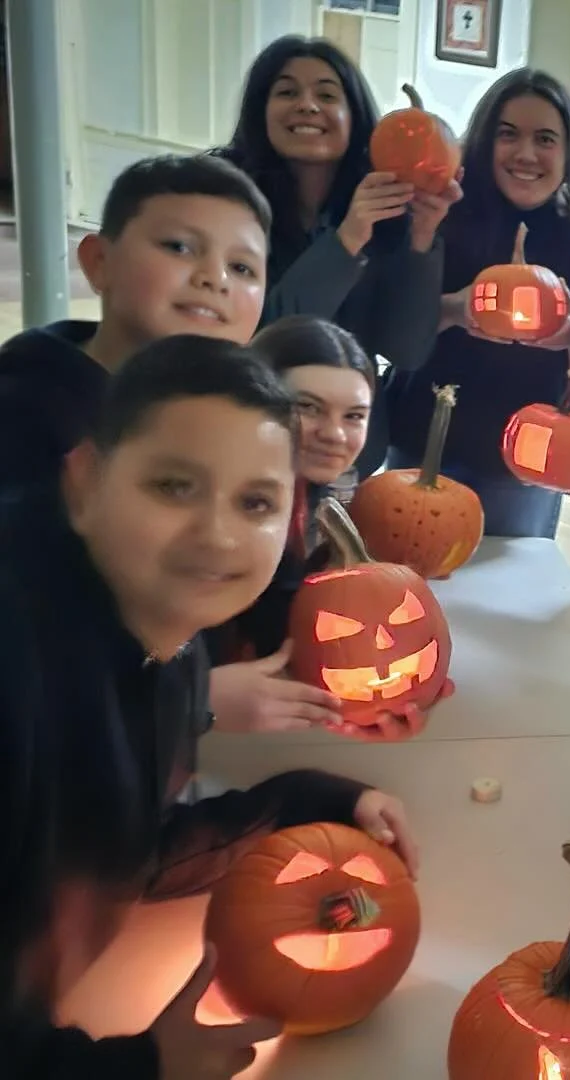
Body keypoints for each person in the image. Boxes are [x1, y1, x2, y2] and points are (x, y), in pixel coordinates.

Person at [1, 335, 418, 1078]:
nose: (218, 534)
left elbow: (123, 852)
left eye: (255, 502)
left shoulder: (171, 651)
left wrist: (308, 802)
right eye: (173, 487)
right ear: (85, 480)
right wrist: (141, 1068)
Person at [215, 35, 460, 479]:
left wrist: (422, 237)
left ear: (355, 116)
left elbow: (405, 350)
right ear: (260, 109)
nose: (308, 105)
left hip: (347, 456)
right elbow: (265, 337)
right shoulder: (229, 207)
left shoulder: (387, 209)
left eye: (327, 94)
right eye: (287, 91)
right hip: (254, 439)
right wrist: (345, 240)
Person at [386, 68, 570, 537]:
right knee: (411, 582)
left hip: (523, 462)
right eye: (509, 135)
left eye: (545, 139)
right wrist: (454, 309)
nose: (526, 154)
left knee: (504, 593)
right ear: (486, 141)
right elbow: (394, 331)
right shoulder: (442, 211)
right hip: (421, 438)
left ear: (568, 154)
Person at [0, 153, 270, 495]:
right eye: (179, 247)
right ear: (100, 262)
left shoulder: (243, 418)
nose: (215, 278)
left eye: (242, 268)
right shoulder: (24, 414)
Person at [205, 315, 375, 733]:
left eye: (354, 416)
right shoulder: (212, 511)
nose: (335, 434)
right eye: (307, 407)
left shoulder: (310, 492)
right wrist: (196, 697)